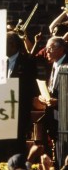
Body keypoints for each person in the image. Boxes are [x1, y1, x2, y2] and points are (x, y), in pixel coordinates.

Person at [37, 36, 68, 167]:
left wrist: (59, 101)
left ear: (61, 49)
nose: (47, 52)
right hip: (54, 121)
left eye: (50, 49)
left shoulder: (66, 66)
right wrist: (43, 97)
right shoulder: (54, 65)